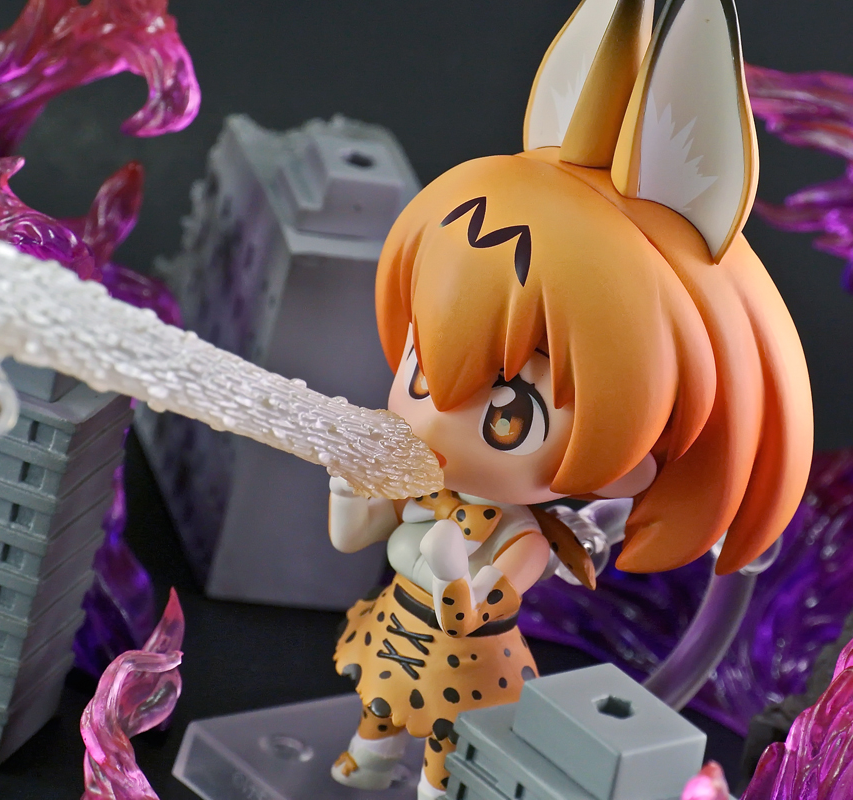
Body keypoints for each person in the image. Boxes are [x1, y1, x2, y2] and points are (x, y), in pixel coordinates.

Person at [329, 1, 813, 797]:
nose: (433, 422)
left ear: (638, 452)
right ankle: (370, 756)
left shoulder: (526, 531)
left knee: (451, 739)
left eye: (508, 414)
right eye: (421, 373)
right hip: (396, 638)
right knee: (378, 706)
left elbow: (491, 598)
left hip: (462, 663)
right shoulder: (420, 481)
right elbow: (352, 534)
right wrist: (352, 488)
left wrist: (455, 575)